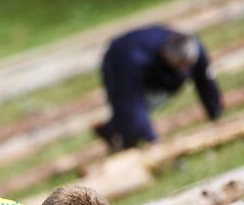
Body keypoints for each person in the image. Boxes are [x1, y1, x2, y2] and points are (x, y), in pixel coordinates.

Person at [93, 26, 223, 151]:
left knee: (145, 106)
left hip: (150, 64)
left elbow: (206, 82)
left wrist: (216, 116)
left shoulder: (194, 48)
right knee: (128, 112)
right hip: (118, 59)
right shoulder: (134, 61)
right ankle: (122, 139)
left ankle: (111, 130)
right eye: (180, 66)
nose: (185, 70)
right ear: (166, 56)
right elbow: (132, 105)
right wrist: (155, 143)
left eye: (186, 66)